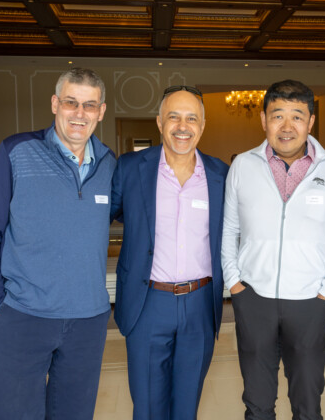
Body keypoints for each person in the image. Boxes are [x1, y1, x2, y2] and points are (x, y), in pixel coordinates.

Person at [0, 67, 116, 419]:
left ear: (101, 111)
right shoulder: (17, 151)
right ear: (54, 104)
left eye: (89, 105)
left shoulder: (109, 164)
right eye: (70, 102)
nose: (79, 113)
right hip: (22, 315)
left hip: (87, 321)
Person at [222, 79, 325, 419]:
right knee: (257, 402)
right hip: (253, 298)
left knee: (307, 402)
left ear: (310, 121)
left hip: (309, 301)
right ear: (263, 120)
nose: (287, 127)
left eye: (297, 117)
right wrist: (235, 284)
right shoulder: (243, 165)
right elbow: (229, 229)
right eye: (277, 116)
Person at [110, 85, 229, 420]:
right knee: (148, 406)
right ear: (159, 122)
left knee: (187, 405)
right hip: (148, 302)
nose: (182, 126)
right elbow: (102, 216)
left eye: (192, 118)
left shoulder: (220, 175)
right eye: (174, 117)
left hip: (200, 304)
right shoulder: (130, 168)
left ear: (202, 125)